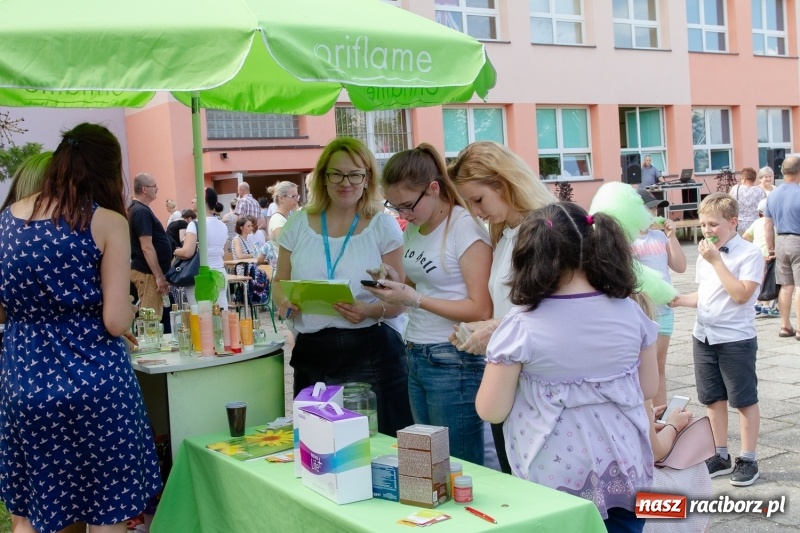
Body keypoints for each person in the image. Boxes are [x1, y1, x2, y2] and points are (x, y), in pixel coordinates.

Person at [0, 123, 162, 533]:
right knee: (107, 515)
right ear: (109, 170)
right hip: (97, 387)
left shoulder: (5, 222)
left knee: (32, 517)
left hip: (25, 384)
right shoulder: (106, 221)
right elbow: (114, 320)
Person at [476, 201, 658, 531]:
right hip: (625, 464)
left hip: (552, 476)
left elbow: (491, 410)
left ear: (528, 257)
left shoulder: (521, 326)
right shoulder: (631, 312)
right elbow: (648, 388)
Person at [272, 137, 413, 436]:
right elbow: (278, 283)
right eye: (335, 173)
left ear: (367, 178)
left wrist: (369, 310)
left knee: (379, 444)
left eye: (354, 174)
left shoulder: (382, 224)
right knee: (318, 446)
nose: (344, 182)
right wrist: (284, 303)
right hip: (313, 354)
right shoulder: (298, 223)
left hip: (371, 351)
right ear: (323, 177)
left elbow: (402, 299)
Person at [368, 143, 493, 464]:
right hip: (417, 352)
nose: (404, 215)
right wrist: (392, 279)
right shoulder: (416, 225)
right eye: (395, 208)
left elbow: (481, 309)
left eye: (408, 205)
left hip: (453, 358)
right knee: (432, 461)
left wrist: (414, 299)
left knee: (459, 463)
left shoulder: (463, 227)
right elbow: (416, 281)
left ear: (433, 189)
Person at [446, 140, 556, 472]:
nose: (476, 212)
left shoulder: (545, 231)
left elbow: (552, 311)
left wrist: (494, 328)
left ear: (503, 182)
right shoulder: (506, 232)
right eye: (468, 203)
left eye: (478, 200)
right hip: (510, 380)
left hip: (540, 389)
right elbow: (516, 307)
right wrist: (486, 329)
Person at [672, 193, 763, 487]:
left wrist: (716, 261)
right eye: (703, 225)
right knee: (712, 398)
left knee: (743, 399)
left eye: (714, 224)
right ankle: (720, 454)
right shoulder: (706, 253)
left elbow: (740, 294)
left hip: (735, 339)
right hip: (704, 336)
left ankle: (748, 458)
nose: (707, 230)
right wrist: (680, 299)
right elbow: (706, 295)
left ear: (733, 222)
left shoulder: (749, 254)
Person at [632, 191, 687, 408]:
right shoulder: (628, 239)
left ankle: (661, 415)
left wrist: (672, 237)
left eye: (655, 209)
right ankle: (644, 414)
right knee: (644, 369)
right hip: (642, 309)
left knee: (659, 366)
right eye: (649, 209)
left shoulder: (660, 237)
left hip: (664, 309)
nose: (654, 214)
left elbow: (680, 266)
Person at [764, 156, 800, 340]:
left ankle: (785, 326)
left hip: (781, 241)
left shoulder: (773, 195)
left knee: (786, 286)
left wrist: (770, 248)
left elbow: (767, 225)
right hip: (798, 240)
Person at [174, 188, 228, 309]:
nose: (192, 200)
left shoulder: (194, 224)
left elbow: (187, 252)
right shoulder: (222, 225)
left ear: (203, 201)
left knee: (201, 316)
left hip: (200, 274)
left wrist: (176, 251)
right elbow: (223, 252)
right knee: (220, 313)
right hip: (220, 273)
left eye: (195, 197)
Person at [129, 172, 173, 318]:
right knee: (150, 318)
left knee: (154, 315)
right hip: (147, 272)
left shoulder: (141, 209)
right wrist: (159, 276)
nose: (157, 189)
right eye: (154, 186)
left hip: (149, 271)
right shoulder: (140, 211)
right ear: (144, 189)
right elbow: (146, 247)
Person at [743, 198, 779, 317]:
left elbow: (745, 235)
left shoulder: (756, 222)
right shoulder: (774, 222)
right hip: (769, 254)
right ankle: (767, 305)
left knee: (760, 279)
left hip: (757, 253)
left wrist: (755, 242)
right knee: (769, 279)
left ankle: (757, 303)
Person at [729, 167, 767, 235]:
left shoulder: (735, 189)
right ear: (754, 179)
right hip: (755, 225)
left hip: (739, 225)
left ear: (744, 179)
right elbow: (765, 208)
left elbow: (728, 204)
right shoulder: (760, 191)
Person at [267, 180, 300, 247]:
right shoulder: (278, 221)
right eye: (293, 196)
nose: (297, 199)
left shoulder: (285, 217)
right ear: (281, 198)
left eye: (297, 196)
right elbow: (287, 245)